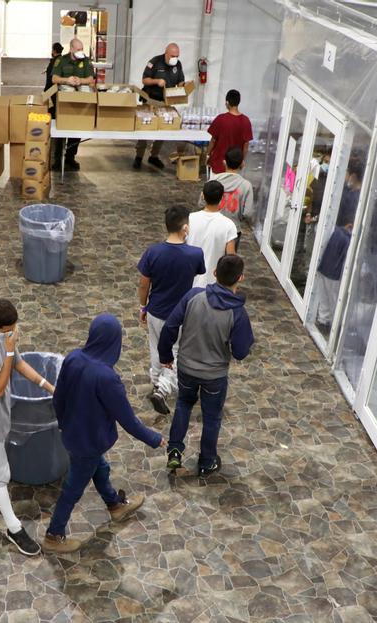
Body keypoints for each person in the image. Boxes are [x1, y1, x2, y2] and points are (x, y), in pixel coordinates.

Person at [41, 313, 164, 553]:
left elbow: (59, 397)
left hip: (72, 433)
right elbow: (128, 420)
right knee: (73, 488)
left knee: (101, 468)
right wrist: (155, 438)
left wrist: (64, 422)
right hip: (90, 442)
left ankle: (115, 505)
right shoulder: (107, 378)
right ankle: (53, 535)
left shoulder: (74, 358)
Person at [0, 299, 57, 556]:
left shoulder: (4, 338)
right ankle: (14, 528)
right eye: (9, 329)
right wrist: (9, 351)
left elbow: (19, 365)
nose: (13, 333)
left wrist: (50, 388)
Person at [159, 255, 255, 476]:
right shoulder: (238, 313)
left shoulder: (194, 296)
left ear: (214, 273)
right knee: (212, 417)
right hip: (215, 375)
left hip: (186, 368)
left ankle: (174, 451)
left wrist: (166, 355)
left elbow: (170, 326)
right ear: (240, 277)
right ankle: (207, 461)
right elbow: (240, 353)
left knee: (183, 404)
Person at [138, 206, 205, 415]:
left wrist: (143, 306)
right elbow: (197, 274)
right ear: (185, 227)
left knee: (155, 348)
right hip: (180, 315)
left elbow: (144, 284)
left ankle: (156, 382)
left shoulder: (152, 252)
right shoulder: (195, 254)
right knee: (175, 352)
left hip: (155, 311)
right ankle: (163, 390)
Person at [134, 43, 190, 170]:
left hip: (166, 102)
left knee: (163, 130)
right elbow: (145, 80)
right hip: (151, 100)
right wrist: (156, 81)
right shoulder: (155, 62)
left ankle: (154, 156)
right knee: (145, 129)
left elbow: (180, 80)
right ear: (166, 53)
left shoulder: (178, 64)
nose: (175, 58)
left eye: (177, 56)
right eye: (172, 56)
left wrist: (184, 85)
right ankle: (138, 156)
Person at [51, 38, 95, 171]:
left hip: (79, 101)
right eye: (78, 49)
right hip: (65, 99)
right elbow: (54, 78)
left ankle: (70, 157)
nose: (80, 52)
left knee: (77, 128)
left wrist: (80, 80)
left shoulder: (86, 61)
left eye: (82, 49)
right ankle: (57, 159)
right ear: (71, 49)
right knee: (61, 130)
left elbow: (91, 79)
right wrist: (67, 80)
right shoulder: (61, 60)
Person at [187, 181, 238, 288]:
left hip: (188, 280)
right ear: (222, 198)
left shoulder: (189, 219)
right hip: (213, 284)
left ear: (203, 196)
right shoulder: (229, 225)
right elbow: (231, 259)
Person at [311, 215, 353, 334]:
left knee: (324, 296)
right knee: (333, 298)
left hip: (325, 267)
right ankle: (333, 324)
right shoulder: (347, 239)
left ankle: (324, 321)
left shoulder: (335, 231)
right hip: (334, 272)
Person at [206, 90, 253, 175]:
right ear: (238, 102)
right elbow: (246, 145)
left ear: (227, 102)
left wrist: (208, 154)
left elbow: (213, 140)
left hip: (218, 164)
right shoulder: (246, 121)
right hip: (234, 166)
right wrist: (241, 160)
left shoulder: (221, 119)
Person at [210, 147, 255, 229]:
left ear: (224, 162)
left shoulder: (213, 180)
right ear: (242, 164)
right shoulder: (246, 185)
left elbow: (201, 203)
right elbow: (248, 213)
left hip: (213, 226)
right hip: (234, 228)